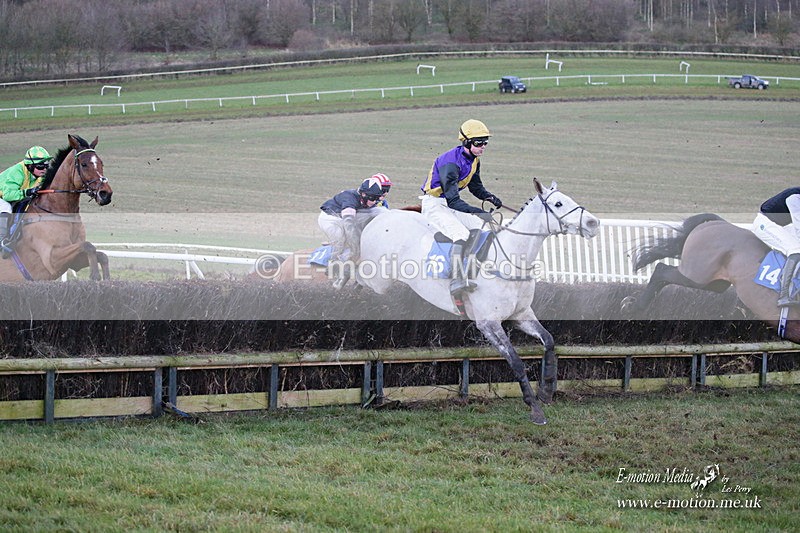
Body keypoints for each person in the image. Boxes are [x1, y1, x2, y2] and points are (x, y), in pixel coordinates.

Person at [420, 119, 503, 295]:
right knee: (461, 234)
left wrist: (489, 197)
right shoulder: (449, 163)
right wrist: (480, 212)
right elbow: (454, 201)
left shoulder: (474, 160)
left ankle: (470, 269)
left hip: (448, 204)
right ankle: (456, 280)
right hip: (435, 204)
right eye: (479, 143)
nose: (483, 146)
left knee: (479, 228)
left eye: (485, 142)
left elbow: (475, 187)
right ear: (466, 142)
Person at [319, 174, 389, 288]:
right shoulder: (349, 198)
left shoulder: (369, 199)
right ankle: (334, 265)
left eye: (377, 198)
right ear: (363, 194)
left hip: (346, 216)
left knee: (381, 211)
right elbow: (348, 224)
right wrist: (356, 246)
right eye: (372, 198)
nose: (374, 201)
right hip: (330, 219)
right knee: (344, 240)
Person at [753, 187, 800, 306]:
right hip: (765, 224)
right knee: (795, 250)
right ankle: (784, 296)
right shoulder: (795, 197)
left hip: (781, 225)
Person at [0, 146, 52, 247]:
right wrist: (27, 192)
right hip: (3, 196)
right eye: (40, 166)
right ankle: (1, 239)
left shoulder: (40, 175)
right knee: (5, 207)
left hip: (10, 196)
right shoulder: (17, 172)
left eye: (46, 166)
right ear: (30, 166)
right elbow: (8, 195)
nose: (44, 169)